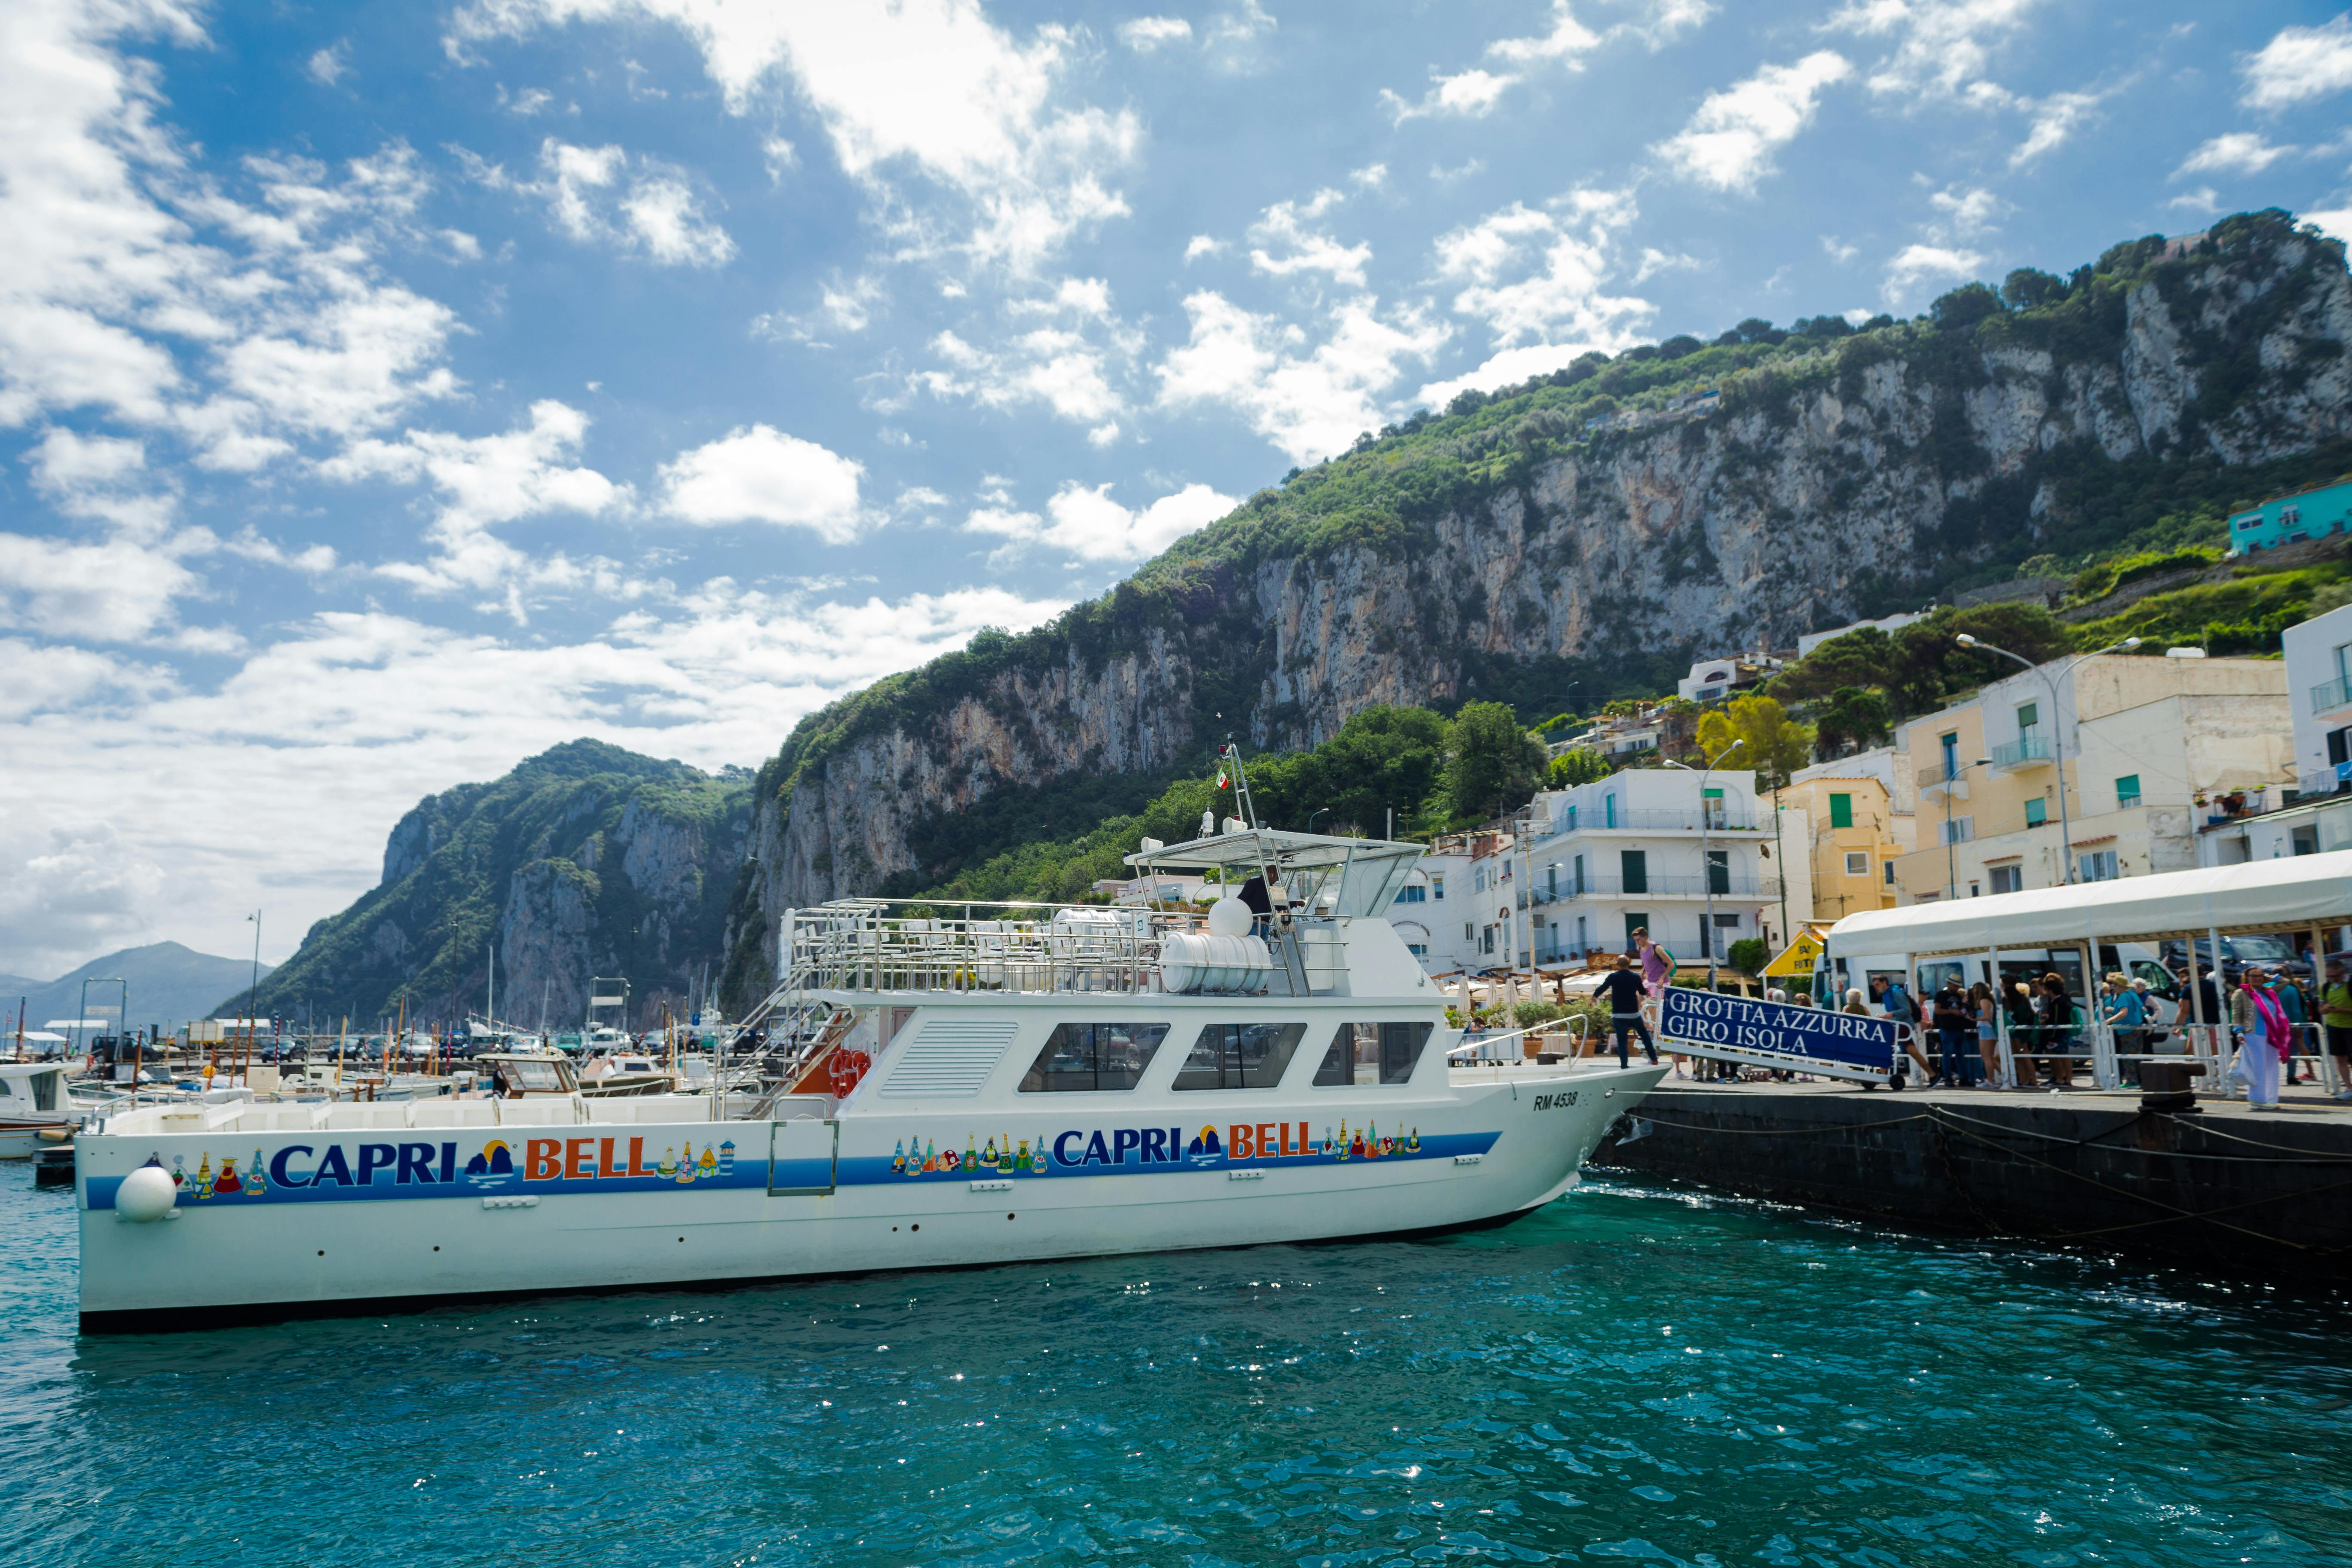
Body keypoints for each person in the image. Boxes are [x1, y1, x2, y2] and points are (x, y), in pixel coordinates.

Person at [2231, 965, 2292, 1111]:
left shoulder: (2268, 990)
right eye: (2253, 976)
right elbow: (2236, 1015)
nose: (2257, 979)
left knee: (2272, 1068)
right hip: (2253, 1035)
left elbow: (2285, 982)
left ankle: (2270, 1099)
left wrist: (2269, 978)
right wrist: (2239, 1032)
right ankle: (2257, 1099)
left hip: (2271, 1036)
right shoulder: (2242, 993)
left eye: (2260, 976)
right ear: (2247, 978)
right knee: (2259, 1068)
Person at [1871, 974, 1936, 1084]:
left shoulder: (1896, 993)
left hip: (1904, 1026)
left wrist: (1892, 1014)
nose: (1876, 987)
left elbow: (1907, 1010)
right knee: (1913, 1052)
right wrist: (1888, 1016)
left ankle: (1882, 1072)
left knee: (1885, 1043)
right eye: (1875, 986)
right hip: (1900, 1025)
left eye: (1878, 984)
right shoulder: (1887, 994)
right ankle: (1933, 1075)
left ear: (1884, 983)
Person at [1596, 956, 1657, 1070]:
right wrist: (1646, 991)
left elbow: (1603, 988)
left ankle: (1624, 1065)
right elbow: (1642, 991)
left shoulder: (1613, 977)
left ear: (1618, 965)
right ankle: (1654, 1059)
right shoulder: (1635, 977)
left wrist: (1594, 997)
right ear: (1630, 963)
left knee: (1622, 1041)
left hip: (1619, 1015)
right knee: (1645, 1036)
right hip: (1633, 1013)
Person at [2101, 971, 2146, 1086]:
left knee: (2128, 1057)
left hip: (2128, 1030)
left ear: (2120, 986)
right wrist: (2113, 1010)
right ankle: (2141, 1081)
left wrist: (2109, 1021)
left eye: (2114, 985)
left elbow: (2124, 1013)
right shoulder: (2132, 994)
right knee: (2137, 1056)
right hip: (2138, 1028)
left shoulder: (2123, 996)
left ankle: (2132, 1081)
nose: (2113, 987)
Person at [1931, 978, 1977, 1088]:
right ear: (1949, 984)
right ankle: (1948, 1077)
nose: (1956, 988)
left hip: (1959, 1029)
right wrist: (1952, 1012)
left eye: (1957, 986)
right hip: (1947, 1028)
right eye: (1954, 986)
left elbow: (1961, 1008)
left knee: (1960, 1055)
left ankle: (1963, 1077)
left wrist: (1964, 1012)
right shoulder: (1941, 995)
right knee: (1947, 1054)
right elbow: (1937, 1011)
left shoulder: (1958, 996)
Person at [2037, 974, 2079, 1090]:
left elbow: (2058, 1019)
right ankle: (2060, 1078)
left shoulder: (2059, 1002)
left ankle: (2066, 1079)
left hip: (2059, 1033)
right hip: (2057, 1033)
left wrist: (2048, 1022)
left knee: (2063, 1056)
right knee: (2058, 1057)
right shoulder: (2057, 1001)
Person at [2321, 957, 2352, 1103]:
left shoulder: (2350, 985)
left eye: (2336, 976)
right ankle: (2349, 1088)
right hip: (2334, 1027)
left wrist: (2343, 1010)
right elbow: (2320, 1010)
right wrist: (2326, 1009)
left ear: (2343, 972)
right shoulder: (2327, 987)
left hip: (2350, 1026)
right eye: (2330, 976)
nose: (2333, 979)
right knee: (2340, 1058)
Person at [1970, 980, 2003, 1088]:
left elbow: (1987, 1016)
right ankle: (2006, 1075)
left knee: (1986, 1057)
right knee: (1990, 1057)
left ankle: (1990, 1080)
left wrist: (1974, 1019)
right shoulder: (1989, 1000)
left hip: (1986, 1030)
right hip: (1988, 1030)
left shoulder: (1984, 1001)